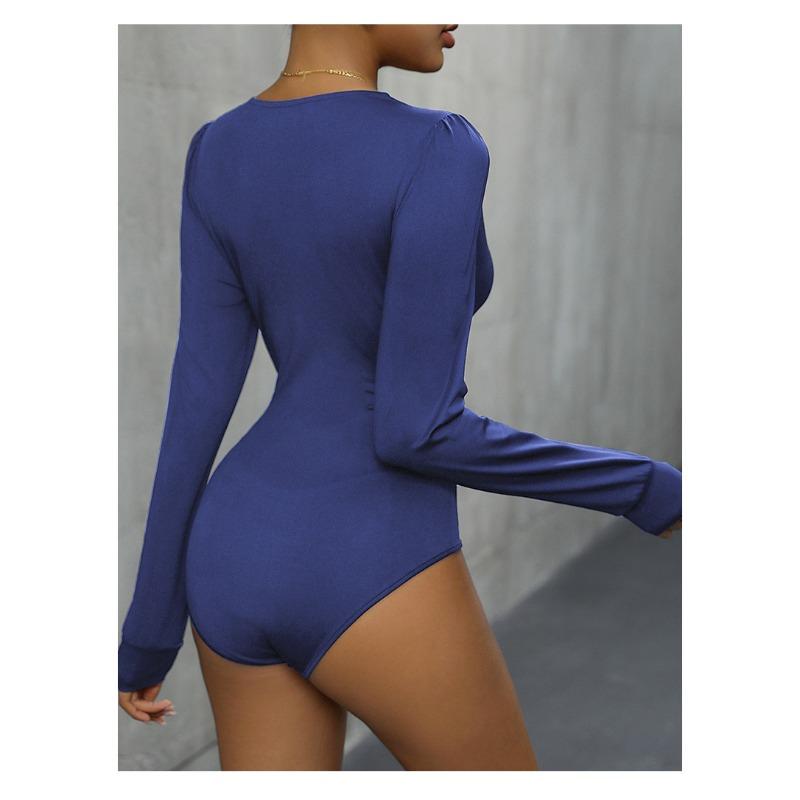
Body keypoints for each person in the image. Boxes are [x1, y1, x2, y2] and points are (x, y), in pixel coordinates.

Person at [118, 24, 682, 770]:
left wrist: (149, 630)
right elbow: (418, 429)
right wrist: (646, 487)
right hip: (371, 549)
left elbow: (197, 398)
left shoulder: (216, 149)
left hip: (232, 554)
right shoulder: (438, 146)